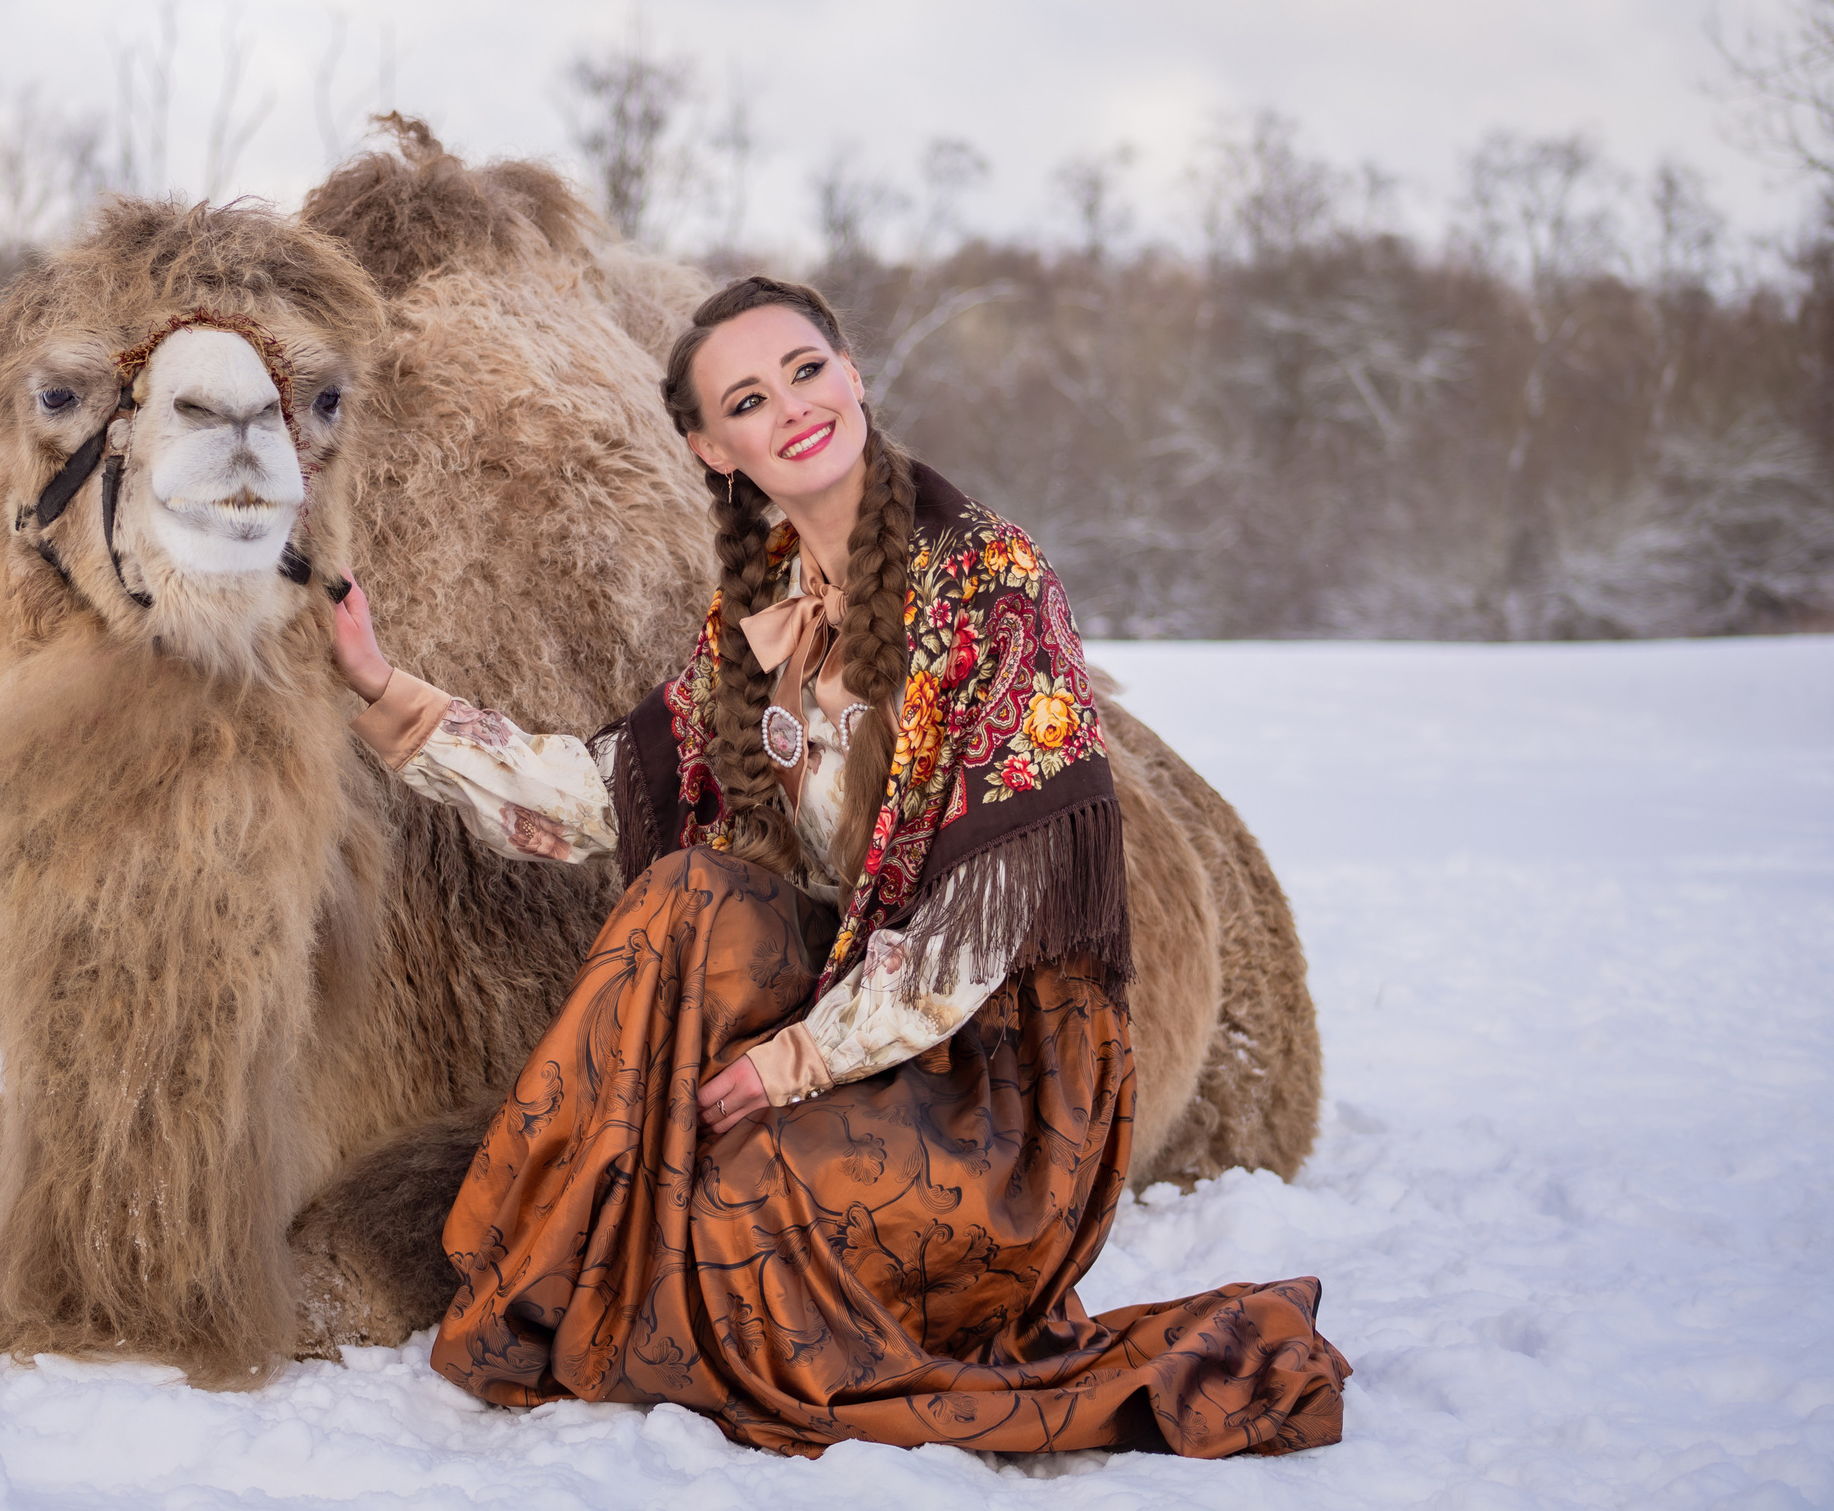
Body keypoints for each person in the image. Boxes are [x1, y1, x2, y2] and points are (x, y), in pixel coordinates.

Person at [328, 275, 1349, 1459]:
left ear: (853, 375)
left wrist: (788, 1067)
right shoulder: (764, 617)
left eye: (807, 370)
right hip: (852, 1024)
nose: (793, 407)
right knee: (687, 894)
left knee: (717, 1229)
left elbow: (984, 918)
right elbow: (594, 795)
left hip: (1000, 1083)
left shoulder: (988, 585)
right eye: (749, 398)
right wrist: (380, 688)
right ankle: (539, 1234)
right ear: (713, 445)